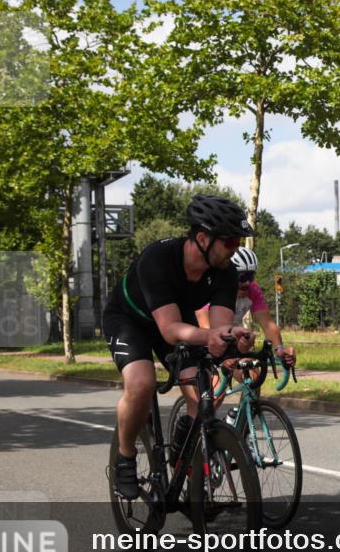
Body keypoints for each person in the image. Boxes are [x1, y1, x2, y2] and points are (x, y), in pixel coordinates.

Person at [103, 194, 256, 499]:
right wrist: (208, 337)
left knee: (201, 394)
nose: (235, 249)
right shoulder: (158, 259)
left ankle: (181, 453)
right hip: (129, 320)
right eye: (229, 242)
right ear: (202, 238)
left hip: (174, 319)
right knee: (141, 382)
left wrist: (233, 334)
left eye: (238, 241)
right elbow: (171, 330)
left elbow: (219, 326)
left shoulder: (224, 271)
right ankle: (125, 456)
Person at [195, 247, 296, 388]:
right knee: (217, 394)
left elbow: (268, 325)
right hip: (203, 340)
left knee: (253, 378)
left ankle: (249, 408)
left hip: (229, 338)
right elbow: (204, 326)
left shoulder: (252, 290)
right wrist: (223, 355)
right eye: (242, 277)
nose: (247, 283)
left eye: (251, 276)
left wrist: (279, 350)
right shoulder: (214, 288)